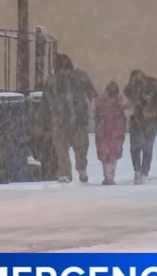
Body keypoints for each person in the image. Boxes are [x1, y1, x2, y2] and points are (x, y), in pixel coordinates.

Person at [42, 53, 98, 183]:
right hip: (70, 119)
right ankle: (71, 171)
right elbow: (92, 94)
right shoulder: (78, 77)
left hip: (66, 119)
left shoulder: (55, 80)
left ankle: (72, 171)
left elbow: (45, 102)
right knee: (73, 148)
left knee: (68, 149)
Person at [123, 69, 157, 184]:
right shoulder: (155, 84)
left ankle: (139, 172)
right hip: (149, 120)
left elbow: (128, 101)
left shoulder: (133, 87)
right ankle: (143, 173)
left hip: (141, 120)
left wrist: (147, 107)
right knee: (146, 147)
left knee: (137, 147)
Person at [93, 81, 129, 185]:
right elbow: (127, 111)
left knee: (105, 154)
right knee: (113, 154)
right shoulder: (120, 102)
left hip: (103, 130)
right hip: (116, 131)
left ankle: (107, 176)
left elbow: (94, 110)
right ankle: (110, 176)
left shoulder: (100, 101)